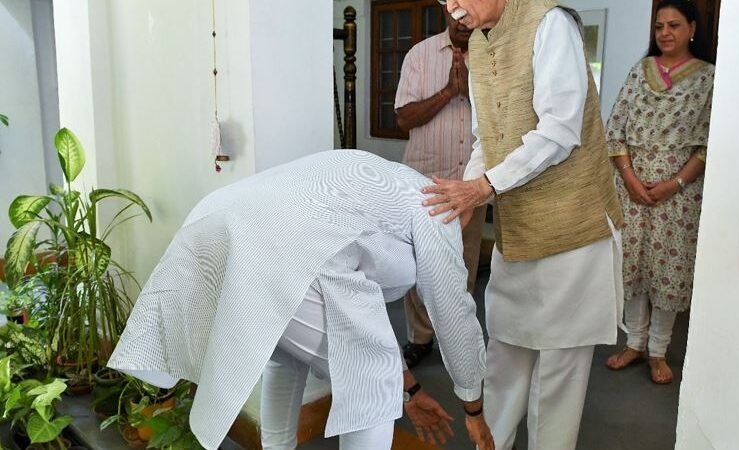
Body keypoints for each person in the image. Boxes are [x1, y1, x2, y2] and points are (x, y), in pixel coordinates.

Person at [107, 150, 494, 450]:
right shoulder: (438, 208)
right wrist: (473, 408)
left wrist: (413, 391)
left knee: (287, 354)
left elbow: (361, 317)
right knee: (374, 378)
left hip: (222, 215)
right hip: (283, 243)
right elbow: (452, 312)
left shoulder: (387, 182)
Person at [426, 1, 625, 448]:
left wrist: (482, 189)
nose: (452, 8)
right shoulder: (478, 42)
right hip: (518, 229)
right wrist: (466, 193)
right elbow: (486, 139)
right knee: (503, 354)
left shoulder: (548, 22)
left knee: (556, 375)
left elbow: (560, 129)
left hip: (572, 225)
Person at [603, 0, 715, 385]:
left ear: (692, 30)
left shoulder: (707, 79)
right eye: (659, 26)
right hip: (631, 188)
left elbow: (708, 144)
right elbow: (615, 128)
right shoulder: (640, 72)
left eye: (674, 25)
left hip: (679, 194)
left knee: (669, 271)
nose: (665, 33)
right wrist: (631, 179)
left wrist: (675, 183)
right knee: (632, 265)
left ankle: (658, 351)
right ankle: (633, 343)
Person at [394, 9, 486, 369]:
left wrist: (471, 91)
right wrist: (450, 91)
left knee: (463, 263)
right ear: (447, 11)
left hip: (472, 184)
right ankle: (420, 338)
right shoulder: (420, 55)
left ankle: (454, 339)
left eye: (469, 12)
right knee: (416, 264)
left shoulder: (493, 57)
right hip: (425, 179)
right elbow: (404, 118)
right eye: (456, 12)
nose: (463, 20)